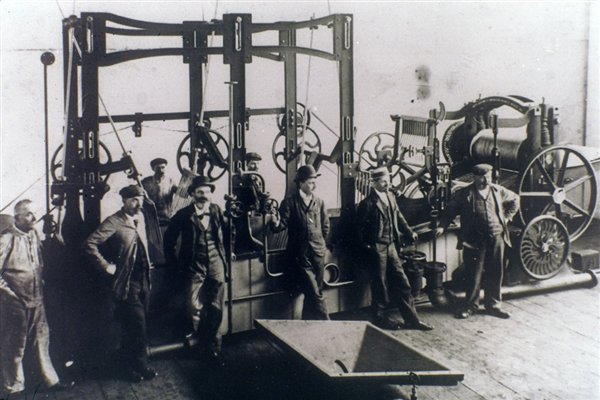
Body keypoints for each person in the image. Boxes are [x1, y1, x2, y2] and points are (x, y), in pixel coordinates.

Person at [83, 185, 158, 382]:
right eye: (133, 199)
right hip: (127, 282)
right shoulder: (114, 222)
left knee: (135, 326)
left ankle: (134, 366)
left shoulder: (140, 219)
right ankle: (136, 366)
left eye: (140, 198)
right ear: (123, 201)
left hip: (144, 279)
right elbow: (89, 244)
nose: (138, 203)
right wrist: (106, 266)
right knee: (137, 325)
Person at [0, 199, 73, 396]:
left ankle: (51, 380)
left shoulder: (33, 234)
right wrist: (10, 296)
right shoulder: (6, 239)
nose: (34, 218)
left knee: (42, 340)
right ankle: (14, 388)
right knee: (15, 346)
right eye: (29, 214)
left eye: (34, 213)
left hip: (37, 298)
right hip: (16, 303)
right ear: (17, 218)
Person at [435, 163, 519, 319]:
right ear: (475, 177)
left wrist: (507, 218)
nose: (486, 180)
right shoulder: (464, 193)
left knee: (495, 272)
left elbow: (515, 199)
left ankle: (493, 306)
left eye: (488, 177)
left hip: (496, 237)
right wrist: (442, 226)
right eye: (483, 177)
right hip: (474, 240)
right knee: (473, 274)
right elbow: (450, 210)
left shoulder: (498, 191)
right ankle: (470, 306)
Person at [164, 176, 233, 361]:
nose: (204, 196)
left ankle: (213, 345)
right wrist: (173, 263)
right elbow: (169, 239)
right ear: (193, 194)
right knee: (193, 304)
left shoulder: (217, 210)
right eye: (200, 192)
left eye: (208, 192)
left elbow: (227, 234)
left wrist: (228, 253)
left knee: (216, 304)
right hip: (194, 263)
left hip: (216, 262)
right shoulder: (183, 215)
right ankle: (199, 341)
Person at [356, 167, 433, 331]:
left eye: (388, 180)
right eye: (383, 181)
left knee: (402, 282)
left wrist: (409, 231)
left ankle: (412, 320)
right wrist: (367, 246)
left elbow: (398, 216)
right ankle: (381, 319)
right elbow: (358, 229)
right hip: (377, 247)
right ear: (374, 183)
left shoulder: (390, 196)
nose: (388, 183)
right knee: (380, 284)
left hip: (391, 246)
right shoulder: (367, 204)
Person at [270, 165, 330, 320]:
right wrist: (275, 222)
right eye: (310, 182)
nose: (314, 185)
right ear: (301, 183)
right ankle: (329, 327)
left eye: (315, 181)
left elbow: (325, 227)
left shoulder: (320, 202)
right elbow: (280, 226)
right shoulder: (289, 203)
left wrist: (320, 244)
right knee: (315, 293)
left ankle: (309, 329)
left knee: (316, 292)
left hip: (318, 254)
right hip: (300, 256)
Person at [141, 157, 177, 225]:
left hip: (167, 218)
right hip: (151, 220)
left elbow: (181, 193)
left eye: (163, 167)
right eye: (158, 168)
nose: (161, 170)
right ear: (153, 169)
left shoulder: (170, 182)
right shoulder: (145, 182)